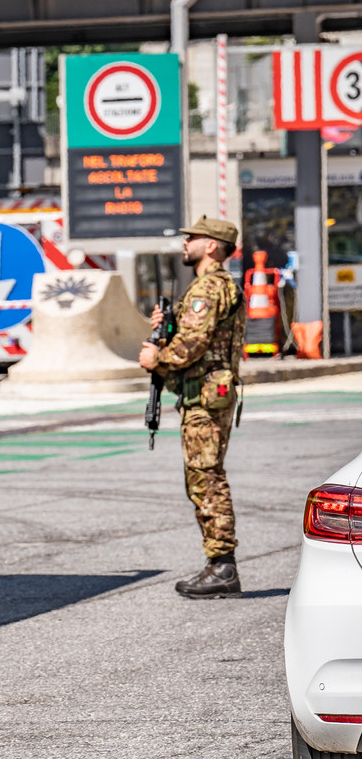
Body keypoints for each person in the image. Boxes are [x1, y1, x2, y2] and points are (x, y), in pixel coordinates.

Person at [138, 215, 246, 599]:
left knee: (206, 478)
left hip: (205, 395)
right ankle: (219, 565)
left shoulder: (208, 288)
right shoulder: (211, 287)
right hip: (204, 393)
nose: (186, 243)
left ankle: (222, 567)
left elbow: (193, 345)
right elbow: (194, 335)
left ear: (212, 246)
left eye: (193, 238)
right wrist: (166, 326)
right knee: (202, 476)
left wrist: (157, 357)